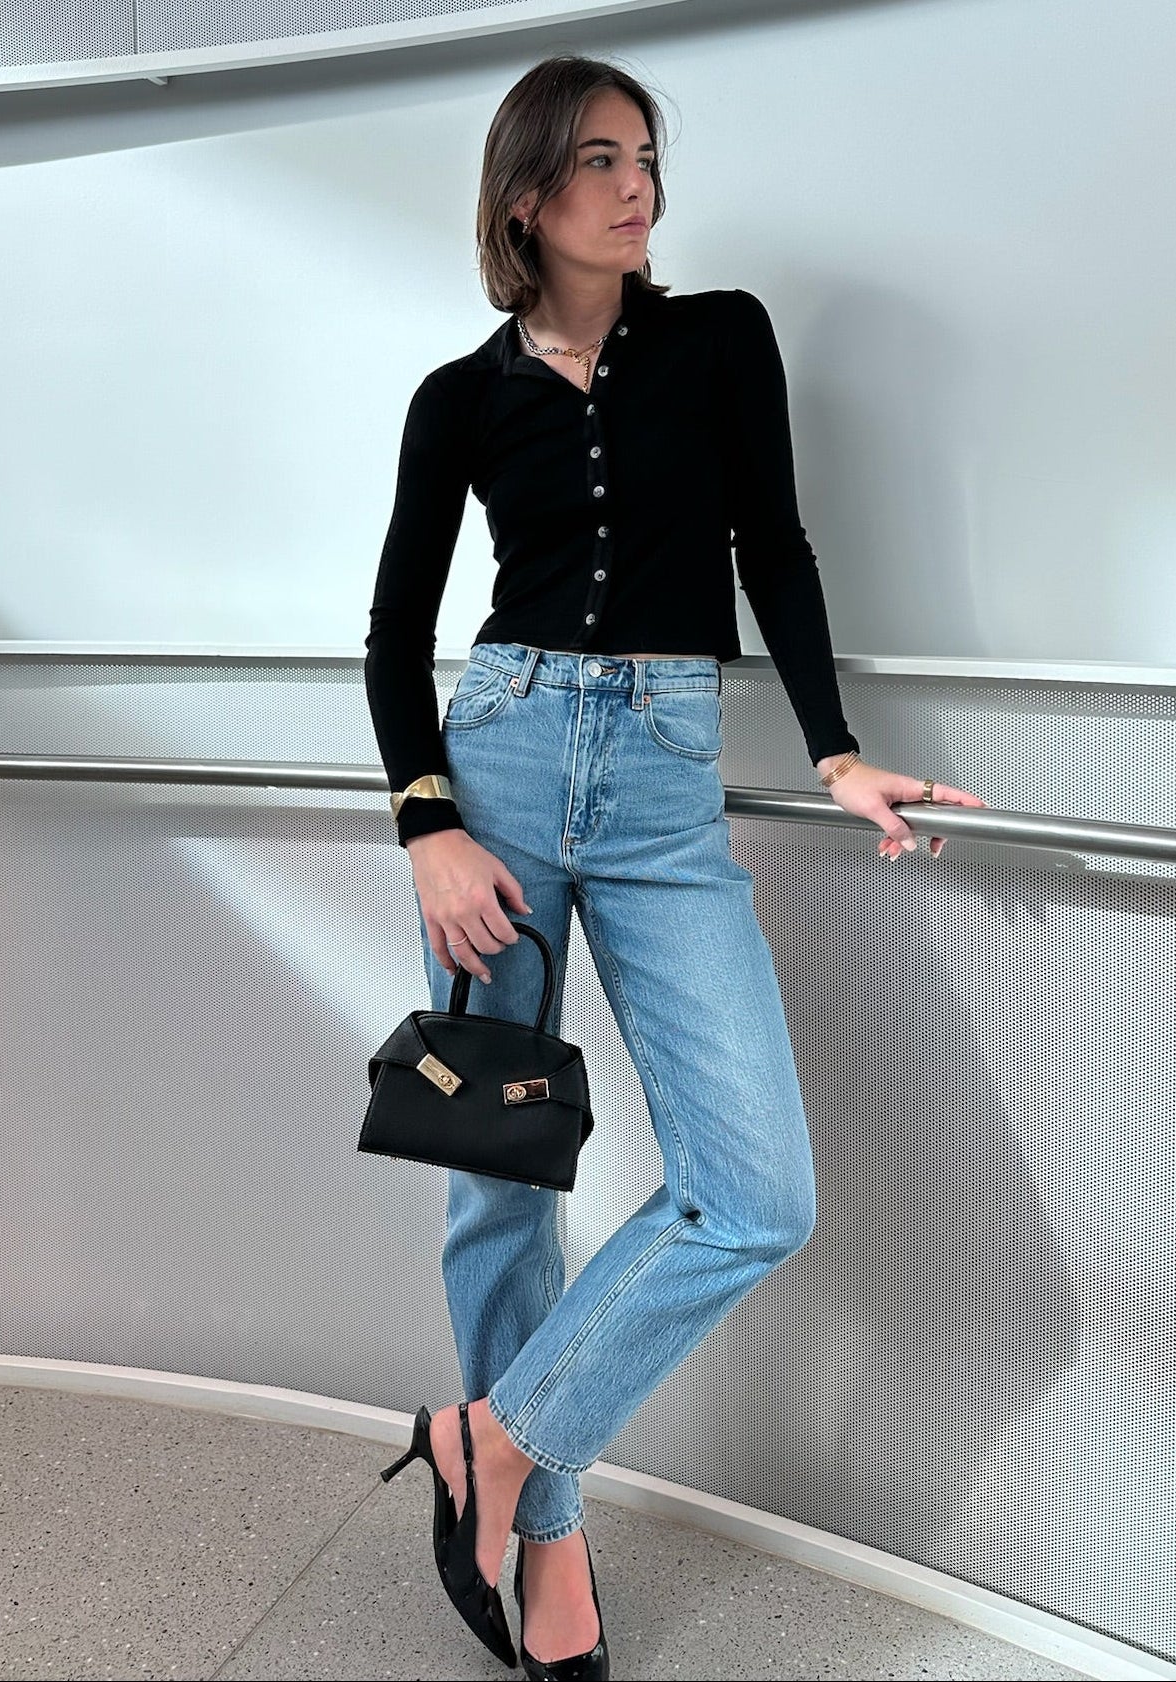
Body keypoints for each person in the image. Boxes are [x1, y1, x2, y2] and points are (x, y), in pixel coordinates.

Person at [364, 52, 985, 1682]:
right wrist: (429, 820)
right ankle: (548, 1542)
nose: (636, 185)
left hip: (657, 777)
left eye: (645, 155)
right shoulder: (458, 396)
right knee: (499, 1168)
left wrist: (836, 746)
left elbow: (767, 542)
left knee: (756, 1191)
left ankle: (492, 1440)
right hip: (492, 765)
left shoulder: (719, 339)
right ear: (525, 199)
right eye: (596, 160)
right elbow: (388, 636)